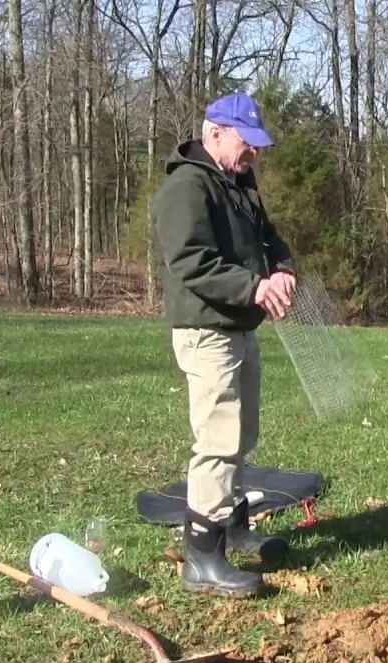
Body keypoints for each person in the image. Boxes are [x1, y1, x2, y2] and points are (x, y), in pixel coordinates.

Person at [150, 92, 298, 598]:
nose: (253, 154)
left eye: (257, 146)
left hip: (239, 326)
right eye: (246, 143)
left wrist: (280, 267)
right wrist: (254, 287)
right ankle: (202, 558)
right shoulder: (186, 188)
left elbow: (266, 234)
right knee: (217, 440)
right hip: (206, 329)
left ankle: (234, 528)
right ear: (214, 133)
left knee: (241, 433)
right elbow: (191, 262)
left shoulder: (236, 181)